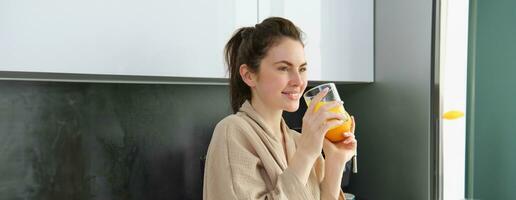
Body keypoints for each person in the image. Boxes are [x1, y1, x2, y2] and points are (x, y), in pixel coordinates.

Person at [203, 17, 357, 200]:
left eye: (302, 69)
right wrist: (306, 154)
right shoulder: (232, 131)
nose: (298, 82)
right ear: (249, 75)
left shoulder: (300, 140)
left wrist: (335, 161)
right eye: (284, 68)